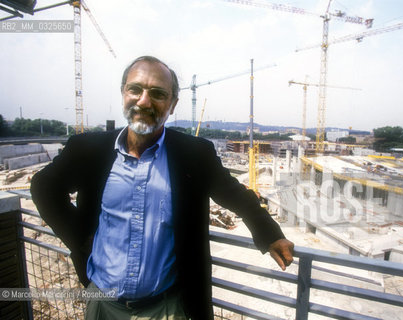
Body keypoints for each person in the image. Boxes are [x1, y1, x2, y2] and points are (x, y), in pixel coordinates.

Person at [30, 55, 294, 319]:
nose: (144, 101)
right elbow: (43, 187)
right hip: (102, 306)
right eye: (135, 89)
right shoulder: (89, 149)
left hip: (166, 309)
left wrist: (270, 233)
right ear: (123, 93)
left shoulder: (193, 154)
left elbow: (234, 193)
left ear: (173, 104)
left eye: (157, 93)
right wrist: (79, 238)